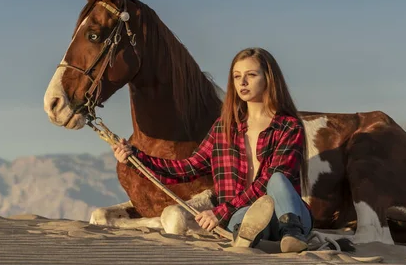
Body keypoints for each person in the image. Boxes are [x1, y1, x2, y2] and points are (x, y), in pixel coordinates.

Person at [111, 47, 312, 253]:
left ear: (269, 79)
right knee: (246, 219)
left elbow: (269, 179)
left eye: (251, 75)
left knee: (277, 179)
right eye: (237, 76)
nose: (242, 82)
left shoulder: (289, 126)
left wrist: (220, 212)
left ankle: (291, 234)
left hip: (286, 212)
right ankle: (253, 236)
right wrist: (137, 159)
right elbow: (188, 168)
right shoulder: (224, 128)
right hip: (242, 212)